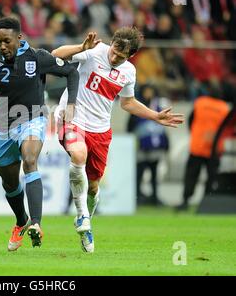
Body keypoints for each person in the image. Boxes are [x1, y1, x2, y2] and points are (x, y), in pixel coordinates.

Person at [0, 17, 79, 250]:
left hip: (33, 119)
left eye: (6, 41)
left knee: (30, 161)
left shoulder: (38, 57)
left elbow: (71, 73)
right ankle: (22, 221)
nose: (2, 46)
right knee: (9, 183)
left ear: (19, 38)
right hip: (3, 127)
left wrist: (71, 104)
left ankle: (36, 224)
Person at [51, 28, 184, 253]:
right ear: (111, 44)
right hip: (72, 116)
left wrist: (154, 115)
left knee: (93, 187)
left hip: (101, 130)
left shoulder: (129, 72)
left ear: (130, 56)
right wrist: (81, 48)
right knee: (78, 154)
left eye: (121, 57)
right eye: (114, 51)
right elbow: (55, 54)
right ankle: (82, 215)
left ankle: (86, 219)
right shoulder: (94, 51)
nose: (114, 58)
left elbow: (127, 103)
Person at [176, 83, 230, 211]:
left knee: (191, 175)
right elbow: (226, 129)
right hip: (214, 148)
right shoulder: (224, 108)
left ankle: (185, 201)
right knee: (212, 177)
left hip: (197, 146)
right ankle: (207, 202)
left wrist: (195, 135)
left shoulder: (200, 103)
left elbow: (190, 120)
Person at [127, 84, 170, 206]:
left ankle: (155, 197)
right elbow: (129, 128)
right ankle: (137, 197)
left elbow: (162, 128)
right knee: (139, 173)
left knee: (154, 174)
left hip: (155, 147)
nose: (148, 94)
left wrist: (166, 144)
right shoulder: (136, 108)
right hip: (141, 147)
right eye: (146, 91)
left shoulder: (158, 107)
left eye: (150, 91)